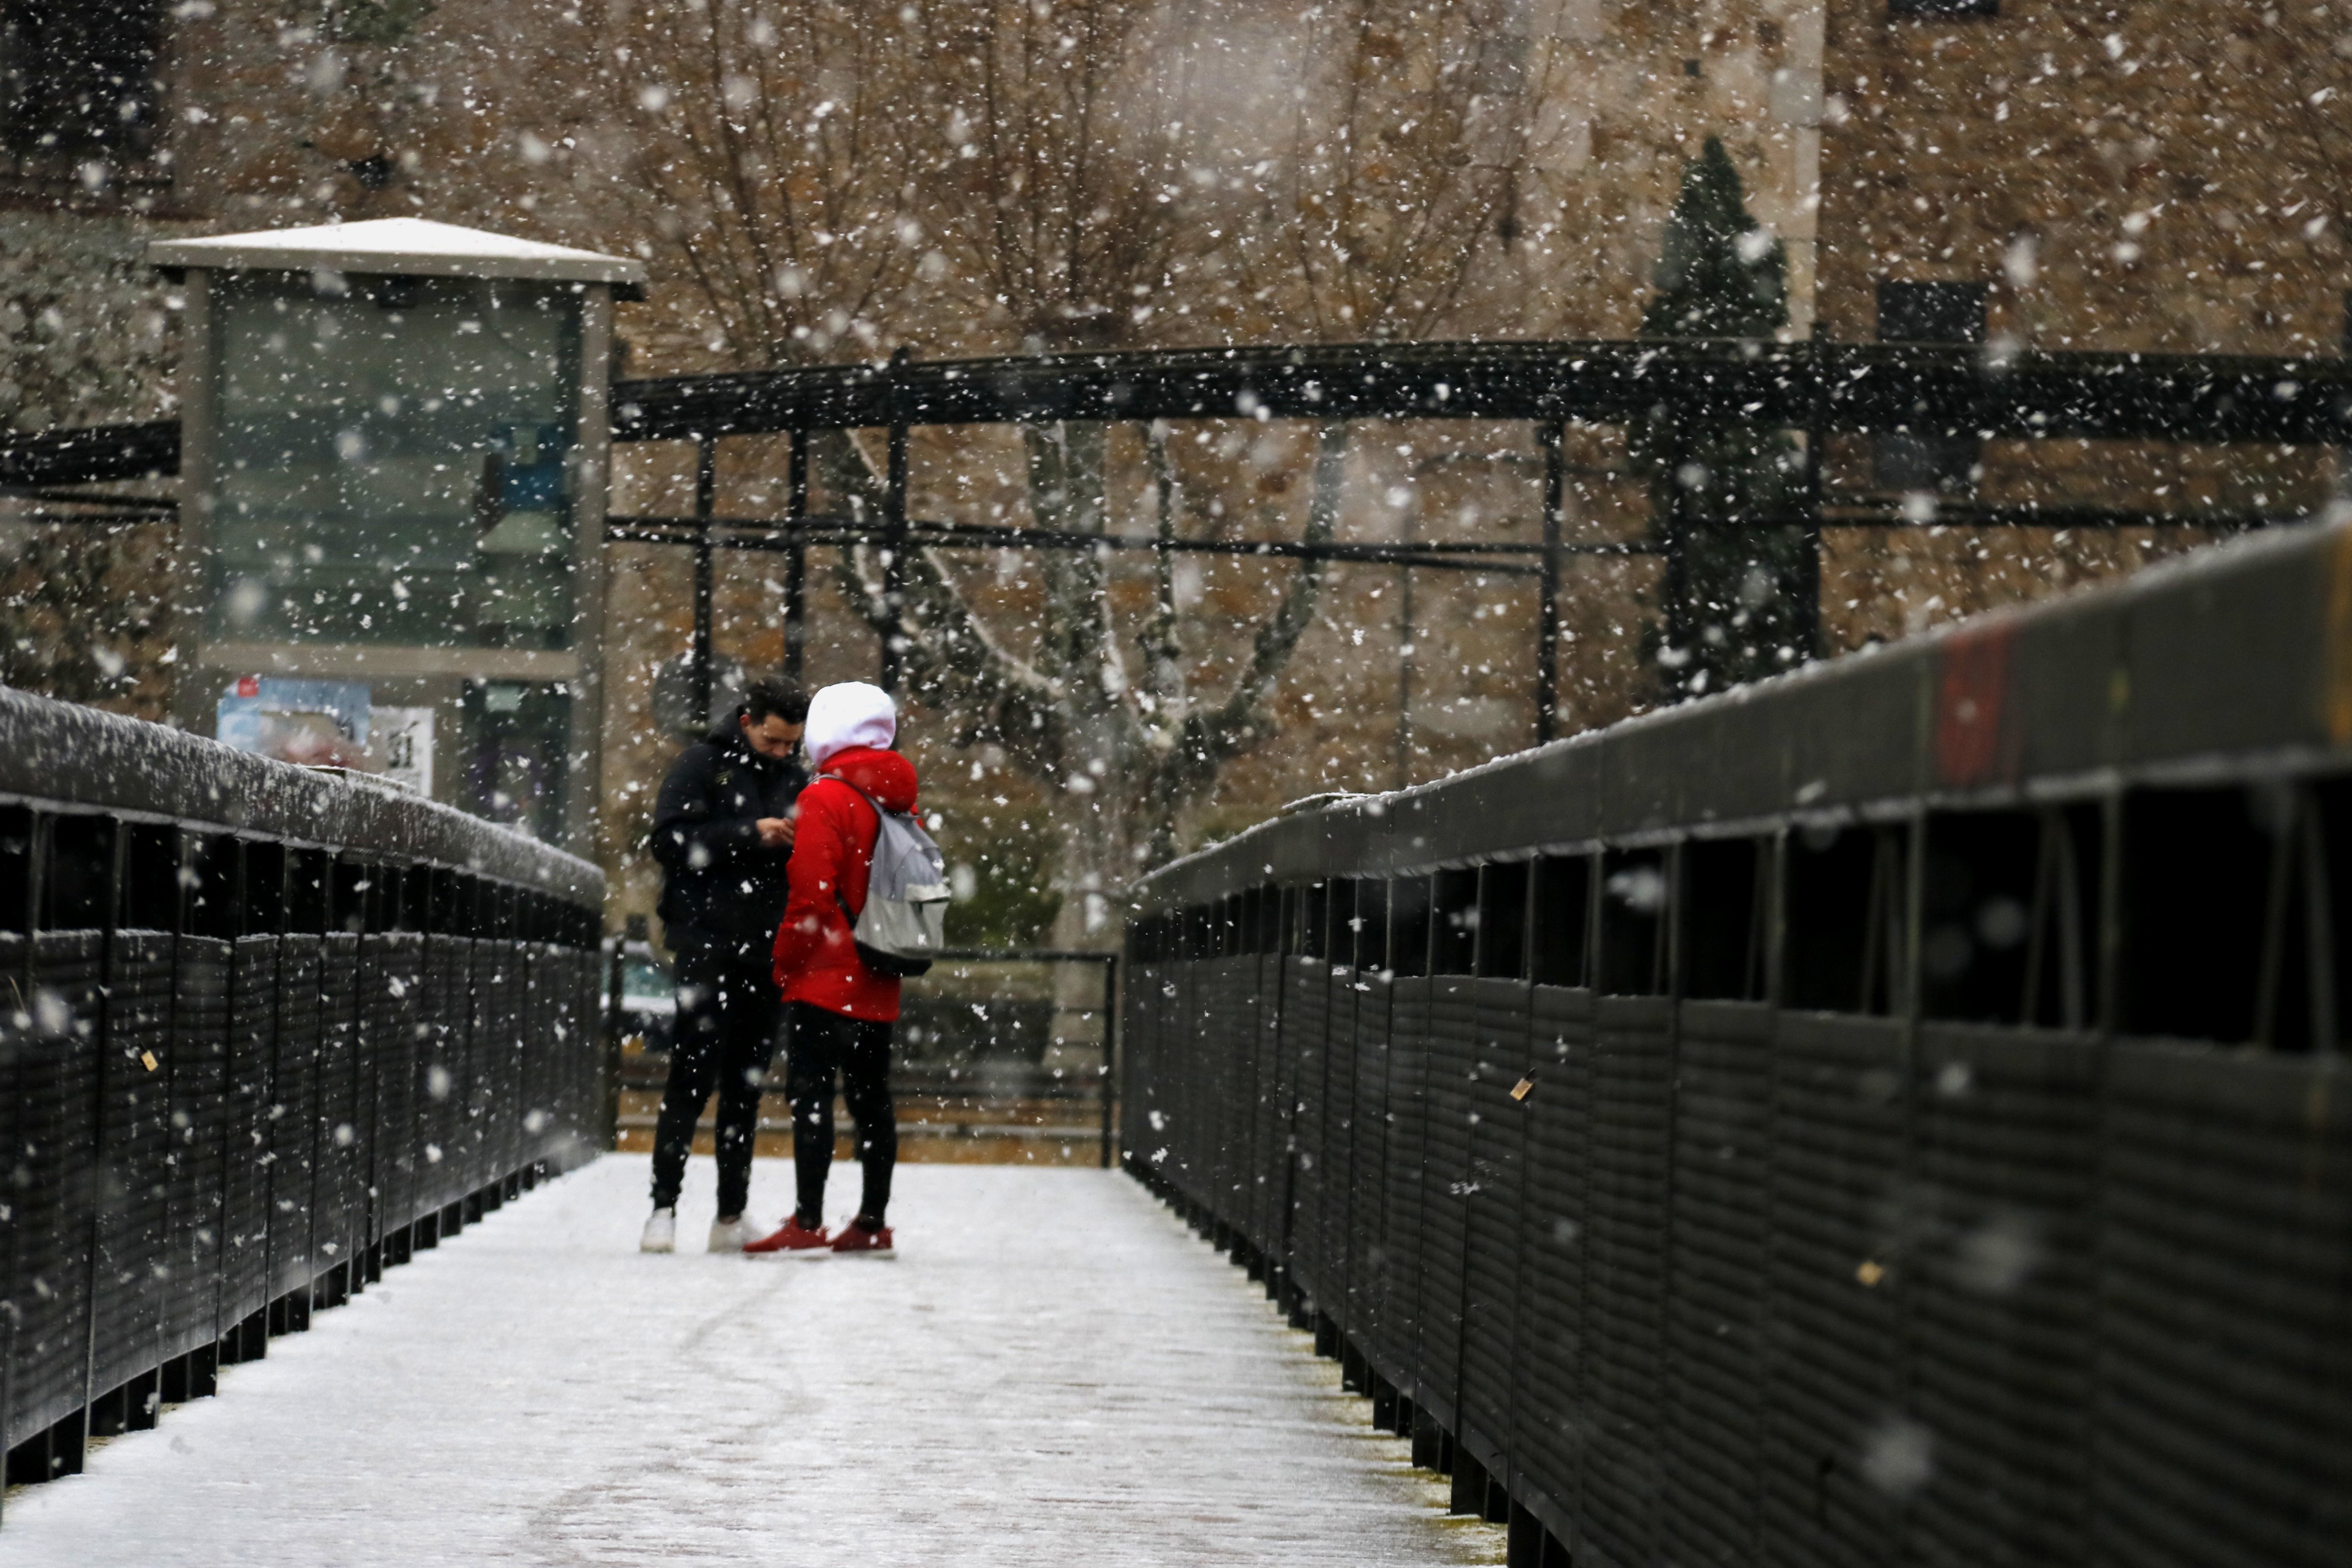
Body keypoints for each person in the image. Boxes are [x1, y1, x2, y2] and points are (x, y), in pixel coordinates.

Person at [640, 676, 809, 1254]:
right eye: (772, 740)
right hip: (708, 940)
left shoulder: (794, 776)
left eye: (791, 743)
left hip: (766, 945)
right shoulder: (700, 765)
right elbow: (668, 841)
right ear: (747, 720)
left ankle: (729, 1214)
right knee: (692, 1075)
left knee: (746, 1082)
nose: (782, 752)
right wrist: (750, 833)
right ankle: (664, 1207)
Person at [747, 681, 916, 1257]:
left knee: (811, 1095)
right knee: (872, 1096)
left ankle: (809, 1218)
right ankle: (872, 1220)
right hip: (881, 962)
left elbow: (811, 895)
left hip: (826, 971)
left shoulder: (826, 796)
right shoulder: (897, 795)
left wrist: (785, 959)